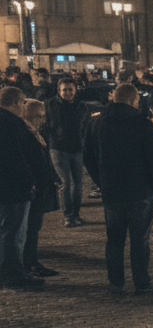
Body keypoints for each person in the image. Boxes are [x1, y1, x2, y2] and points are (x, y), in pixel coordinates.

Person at [86, 84, 153, 294]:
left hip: (111, 191)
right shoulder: (142, 124)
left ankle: (116, 283)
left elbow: (88, 156)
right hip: (140, 191)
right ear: (134, 100)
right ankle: (142, 282)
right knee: (139, 241)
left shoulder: (97, 123)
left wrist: (100, 180)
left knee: (114, 240)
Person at [0, 87, 45, 289]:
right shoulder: (11, 124)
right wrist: (29, 182)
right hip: (14, 189)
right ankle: (14, 275)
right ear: (17, 102)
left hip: (7, 187)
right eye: (23, 103)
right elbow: (16, 158)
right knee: (14, 233)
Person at [44, 77, 92, 227]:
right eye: (65, 90)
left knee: (78, 184)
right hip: (58, 148)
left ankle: (75, 214)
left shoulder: (82, 106)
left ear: (75, 90)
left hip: (77, 148)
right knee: (66, 183)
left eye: (70, 89)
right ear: (59, 91)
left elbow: (86, 126)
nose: (68, 92)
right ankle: (68, 216)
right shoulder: (50, 105)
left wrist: (84, 142)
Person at [20, 99, 60, 278]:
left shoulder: (34, 132)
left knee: (33, 228)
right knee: (29, 229)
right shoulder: (25, 134)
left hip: (38, 189)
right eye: (40, 116)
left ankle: (31, 262)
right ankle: (28, 264)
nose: (43, 120)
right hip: (32, 190)